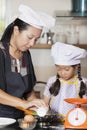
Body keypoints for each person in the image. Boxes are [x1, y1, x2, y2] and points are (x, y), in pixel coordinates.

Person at [0, 4, 55, 119]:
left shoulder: (25, 55)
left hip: (20, 117)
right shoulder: (1, 53)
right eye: (30, 37)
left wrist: (36, 104)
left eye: (36, 39)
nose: (32, 44)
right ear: (16, 30)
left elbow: (28, 92)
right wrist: (24, 103)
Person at [43, 42, 87, 119]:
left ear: (76, 66)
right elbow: (45, 102)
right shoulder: (52, 81)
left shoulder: (82, 82)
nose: (62, 73)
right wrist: (43, 109)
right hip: (53, 120)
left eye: (67, 69)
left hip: (74, 120)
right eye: (59, 69)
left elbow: (85, 105)